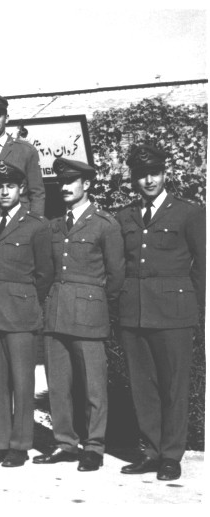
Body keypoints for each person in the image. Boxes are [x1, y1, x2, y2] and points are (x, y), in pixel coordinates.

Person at [116, 144, 205, 481]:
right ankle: (150, 451)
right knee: (143, 386)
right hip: (134, 312)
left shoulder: (189, 213)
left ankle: (171, 455)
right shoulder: (126, 216)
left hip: (173, 313)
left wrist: (197, 311)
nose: (148, 179)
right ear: (133, 178)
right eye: (141, 174)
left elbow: (203, 269)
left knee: (173, 386)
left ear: (165, 173)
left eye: (154, 172)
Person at [33, 157, 124, 471]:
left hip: (88, 315)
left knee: (93, 387)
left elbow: (116, 277)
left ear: (87, 184)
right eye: (62, 182)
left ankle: (95, 446)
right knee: (59, 385)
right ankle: (65, 443)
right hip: (56, 314)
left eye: (71, 181)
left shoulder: (105, 224)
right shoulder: (55, 225)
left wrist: (96, 304)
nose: (65, 187)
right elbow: (46, 272)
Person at [0, 161, 53, 468]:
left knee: (22, 382)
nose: (4, 191)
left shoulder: (36, 225)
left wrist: (26, 300)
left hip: (21, 313)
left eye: (10, 186)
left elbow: (45, 273)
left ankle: (19, 444)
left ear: (21, 189)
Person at [0, 93, 45, 216]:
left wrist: (34, 224)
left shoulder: (26, 151)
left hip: (20, 221)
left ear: (7, 118)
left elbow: (37, 193)